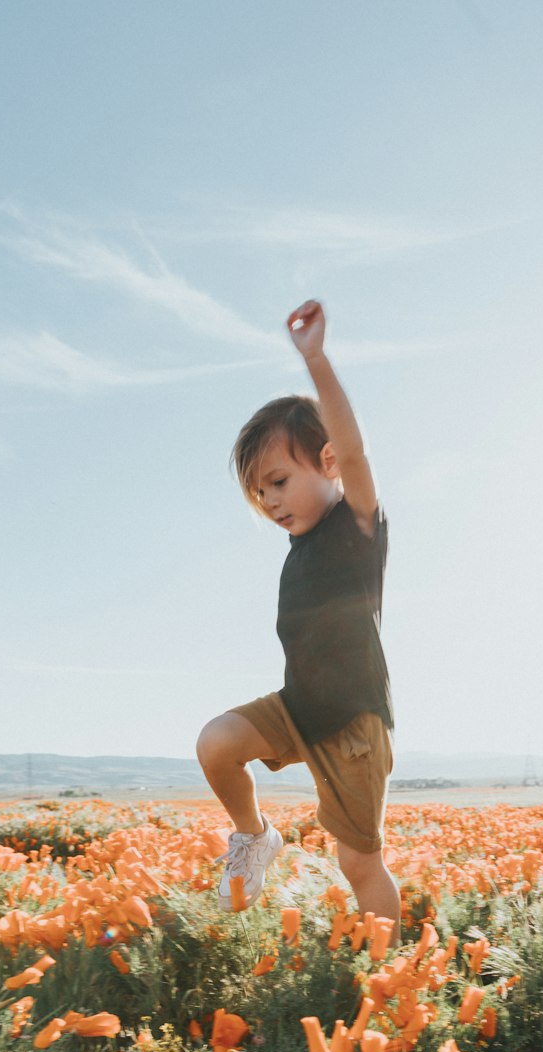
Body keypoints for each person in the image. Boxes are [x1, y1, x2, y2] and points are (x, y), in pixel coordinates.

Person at [196, 300, 399, 941]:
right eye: (260, 492)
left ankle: (391, 976)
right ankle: (255, 837)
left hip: (353, 726)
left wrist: (315, 360)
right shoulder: (301, 548)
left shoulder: (355, 528)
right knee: (217, 742)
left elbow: (358, 452)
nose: (270, 500)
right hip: (299, 708)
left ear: (328, 463)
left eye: (279, 480)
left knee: (358, 861)